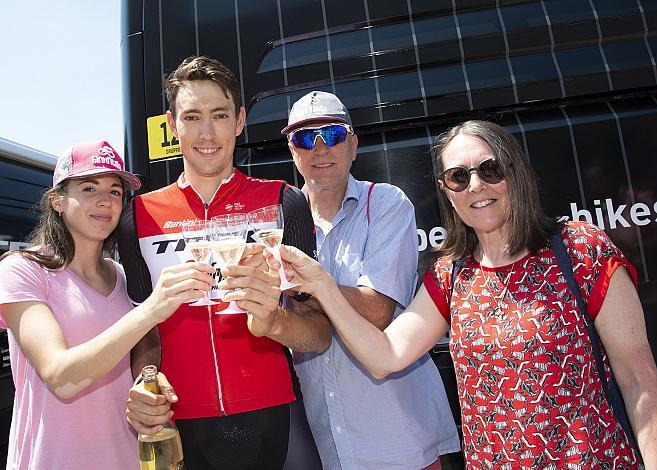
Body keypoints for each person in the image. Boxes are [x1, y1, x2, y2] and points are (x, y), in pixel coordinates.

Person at [227, 120, 657, 467]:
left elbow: (640, 382)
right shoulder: (453, 275)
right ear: (447, 193)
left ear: (516, 173)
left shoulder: (582, 251)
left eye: (489, 169)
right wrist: (321, 284)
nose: (475, 185)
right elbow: (385, 356)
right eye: (458, 177)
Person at [223, 91, 460, 469]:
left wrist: (308, 284)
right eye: (305, 138)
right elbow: (301, 331)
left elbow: (377, 311)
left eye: (332, 135)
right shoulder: (277, 223)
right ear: (292, 150)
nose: (320, 149)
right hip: (329, 444)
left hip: (402, 439)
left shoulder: (386, 203)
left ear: (353, 144)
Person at [118, 55, 323, 470]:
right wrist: (145, 376)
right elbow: (144, 330)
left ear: (240, 119)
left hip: (266, 413)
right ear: (172, 125)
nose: (206, 132)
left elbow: (319, 333)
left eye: (220, 115)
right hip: (177, 419)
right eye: (192, 117)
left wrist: (273, 321)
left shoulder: (285, 202)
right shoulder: (137, 217)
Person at [0, 140, 215, 469]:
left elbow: (136, 358)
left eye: (115, 191)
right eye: (89, 188)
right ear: (57, 200)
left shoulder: (121, 276)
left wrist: (148, 385)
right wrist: (151, 309)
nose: (105, 200)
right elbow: (60, 376)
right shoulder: (23, 270)